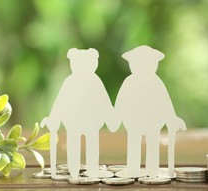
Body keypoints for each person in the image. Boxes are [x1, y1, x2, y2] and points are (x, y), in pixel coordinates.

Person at [41, 48, 118, 178]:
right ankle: (74, 171)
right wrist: (54, 118)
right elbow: (61, 102)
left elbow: (104, 101)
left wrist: (111, 118)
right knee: (73, 145)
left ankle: (92, 170)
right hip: (73, 123)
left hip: (92, 122)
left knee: (92, 145)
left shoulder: (95, 81)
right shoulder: (70, 81)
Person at [115, 45, 186, 177]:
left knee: (152, 147)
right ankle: (133, 171)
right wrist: (116, 118)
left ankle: (152, 172)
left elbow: (165, 103)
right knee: (134, 146)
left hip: (153, 123)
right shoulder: (129, 82)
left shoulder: (156, 82)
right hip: (133, 123)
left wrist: (172, 118)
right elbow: (121, 102)